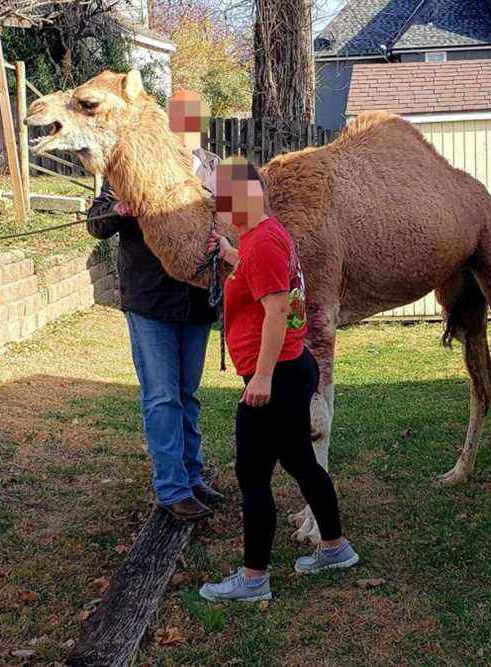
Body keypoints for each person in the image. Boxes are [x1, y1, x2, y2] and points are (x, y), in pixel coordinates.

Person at [199, 157, 359, 603]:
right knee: (301, 463)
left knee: (252, 474)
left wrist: (262, 377)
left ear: (249, 197)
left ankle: (253, 579)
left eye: (225, 201)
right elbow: (264, 280)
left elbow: (275, 312)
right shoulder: (262, 237)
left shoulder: (264, 241)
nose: (221, 209)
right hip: (291, 368)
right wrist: (233, 256)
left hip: (276, 376)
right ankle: (335, 548)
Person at [86, 90, 221, 521]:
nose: (185, 126)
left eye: (192, 119)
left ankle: (193, 476)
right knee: (162, 396)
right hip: (150, 298)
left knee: (187, 394)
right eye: (178, 118)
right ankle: (172, 488)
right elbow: (96, 224)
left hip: (197, 300)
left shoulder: (214, 170)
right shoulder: (130, 164)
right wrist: (123, 210)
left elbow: (240, 220)